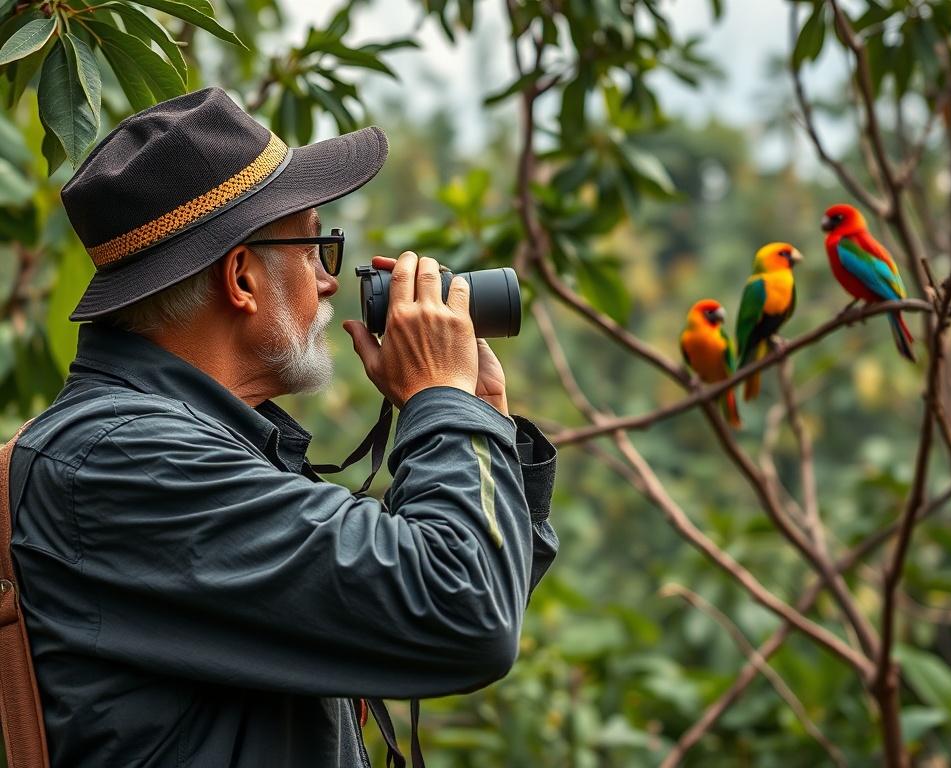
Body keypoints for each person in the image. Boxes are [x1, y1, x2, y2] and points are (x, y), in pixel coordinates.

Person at [6, 87, 558, 767]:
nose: (330, 282)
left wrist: (480, 419)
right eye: (315, 246)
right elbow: (463, 613)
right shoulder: (126, 463)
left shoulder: (201, 450)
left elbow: (444, 608)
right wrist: (443, 406)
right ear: (241, 277)